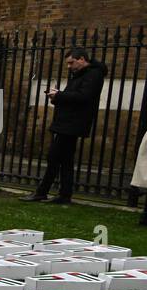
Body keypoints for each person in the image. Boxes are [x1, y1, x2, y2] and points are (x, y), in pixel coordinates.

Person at [25, 46, 108, 205]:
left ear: (82, 59)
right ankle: (64, 195)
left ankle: (42, 192)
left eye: (72, 63)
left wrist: (59, 95)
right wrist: (56, 97)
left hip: (73, 123)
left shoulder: (93, 75)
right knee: (65, 159)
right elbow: (73, 96)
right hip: (68, 121)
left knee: (54, 156)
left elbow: (84, 97)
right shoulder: (80, 74)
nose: (69, 67)